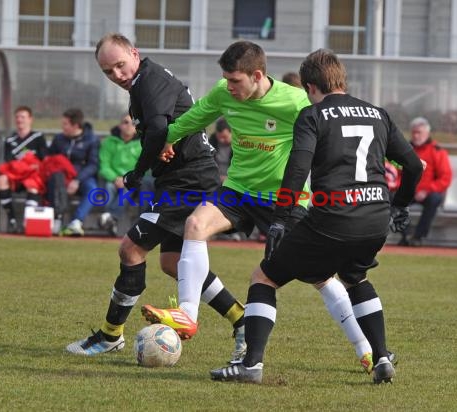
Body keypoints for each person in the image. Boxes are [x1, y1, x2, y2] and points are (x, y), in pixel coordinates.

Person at [143, 41, 376, 374]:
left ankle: (365, 348)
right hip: (238, 190)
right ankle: (188, 316)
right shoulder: (225, 93)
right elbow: (195, 118)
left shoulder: (295, 101)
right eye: (226, 79)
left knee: (320, 276)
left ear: (257, 75)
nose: (229, 87)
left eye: (236, 80)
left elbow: (340, 130)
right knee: (195, 225)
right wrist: (170, 137)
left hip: (285, 201)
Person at [209, 48, 423, 384]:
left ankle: (250, 365)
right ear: (342, 79)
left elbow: (297, 169)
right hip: (375, 218)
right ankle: (380, 357)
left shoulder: (314, 115)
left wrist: (280, 218)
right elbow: (413, 165)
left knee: (263, 278)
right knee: (355, 278)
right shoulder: (378, 114)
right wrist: (401, 204)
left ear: (310, 88)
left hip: (332, 218)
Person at [66, 33, 247, 363]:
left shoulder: (148, 80)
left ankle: (110, 335)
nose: (117, 75)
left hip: (188, 181)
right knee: (173, 263)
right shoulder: (142, 84)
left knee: (131, 249)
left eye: (120, 65)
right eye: (108, 71)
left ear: (134, 54)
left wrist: (136, 173)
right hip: (181, 179)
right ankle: (241, 319)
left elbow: (161, 130)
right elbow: (164, 131)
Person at [399, 117, 452, 246]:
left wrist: (427, 189)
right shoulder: (405, 150)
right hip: (409, 190)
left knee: (434, 199)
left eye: (419, 133)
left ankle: (418, 236)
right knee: (390, 199)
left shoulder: (437, 151)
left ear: (427, 133)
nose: (416, 136)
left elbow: (445, 178)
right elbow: (398, 172)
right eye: (414, 133)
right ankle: (407, 233)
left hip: (428, 192)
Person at [47, 108, 99, 236]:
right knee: (54, 181)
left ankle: (76, 222)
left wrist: (77, 180)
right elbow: (50, 159)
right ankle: (56, 219)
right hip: (62, 177)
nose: (62, 127)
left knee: (92, 189)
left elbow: (93, 165)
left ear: (75, 125)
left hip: (82, 178)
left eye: (65, 124)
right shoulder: (58, 139)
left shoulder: (91, 140)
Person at [0, 106, 48, 232]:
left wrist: (31, 164)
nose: (20, 120)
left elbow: (44, 159)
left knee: (33, 185)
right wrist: (22, 165)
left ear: (30, 119)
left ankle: (27, 221)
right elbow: (9, 161)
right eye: (17, 117)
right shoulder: (10, 140)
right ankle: (12, 219)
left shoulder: (38, 137)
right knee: (2, 179)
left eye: (23, 117)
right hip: (16, 175)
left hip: (31, 175)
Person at [98, 114, 143, 236]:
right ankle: (112, 221)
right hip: (112, 179)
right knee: (108, 188)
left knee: (128, 189)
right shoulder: (108, 142)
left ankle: (110, 217)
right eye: (125, 122)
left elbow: (143, 167)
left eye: (132, 123)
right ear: (119, 125)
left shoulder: (141, 144)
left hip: (131, 180)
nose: (129, 126)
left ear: (136, 127)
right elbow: (104, 165)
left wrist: (126, 179)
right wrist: (114, 178)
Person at [208, 117, 233, 183]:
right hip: (214, 178)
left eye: (225, 137)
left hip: (232, 180)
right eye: (219, 137)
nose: (221, 140)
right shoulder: (212, 141)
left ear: (232, 133)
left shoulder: (239, 146)